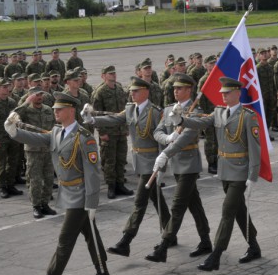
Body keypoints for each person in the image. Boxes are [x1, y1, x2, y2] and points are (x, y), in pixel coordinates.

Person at [6, 92, 110, 275]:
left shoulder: (84, 138)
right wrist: (14, 132)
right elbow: (36, 138)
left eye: (59, 109)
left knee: (64, 241)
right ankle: (103, 274)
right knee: (91, 235)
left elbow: (92, 172)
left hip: (81, 196)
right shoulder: (57, 132)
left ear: (71, 110)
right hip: (68, 192)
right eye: (54, 109)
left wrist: (92, 203)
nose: (55, 111)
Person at [169, 77, 262, 272]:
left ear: (237, 93)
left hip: (240, 171)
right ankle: (254, 246)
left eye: (227, 93)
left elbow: (255, 148)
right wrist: (182, 120)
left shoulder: (248, 116)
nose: (223, 96)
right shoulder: (219, 112)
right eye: (222, 93)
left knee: (227, 211)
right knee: (238, 210)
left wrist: (253, 176)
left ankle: (216, 255)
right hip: (225, 170)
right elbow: (201, 123)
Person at [89, 77, 170, 258]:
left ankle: (126, 241)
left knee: (139, 202)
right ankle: (170, 231)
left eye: (136, 91)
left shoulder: (155, 112)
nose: (131, 94)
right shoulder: (130, 109)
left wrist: (162, 167)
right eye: (131, 91)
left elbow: (162, 140)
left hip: (152, 163)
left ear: (146, 92)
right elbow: (113, 119)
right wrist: (93, 119)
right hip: (139, 161)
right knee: (157, 200)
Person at [144, 73, 212, 263]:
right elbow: (157, 131)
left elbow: (186, 137)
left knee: (178, 205)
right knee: (194, 204)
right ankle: (206, 240)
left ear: (189, 90)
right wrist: (166, 138)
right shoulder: (168, 110)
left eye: (180, 88)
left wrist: (167, 152)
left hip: (189, 163)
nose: (175, 91)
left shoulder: (195, 111)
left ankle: (164, 246)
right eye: (174, 88)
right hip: (176, 165)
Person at [14, 88, 58, 218]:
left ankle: (45, 204)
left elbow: (53, 127)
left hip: (48, 149)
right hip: (33, 150)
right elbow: (13, 116)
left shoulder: (48, 109)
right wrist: (26, 102)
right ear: (30, 96)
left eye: (40, 94)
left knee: (49, 178)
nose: (39, 97)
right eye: (36, 95)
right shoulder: (26, 110)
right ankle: (36, 206)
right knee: (35, 180)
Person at [90, 65, 132, 199]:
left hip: (120, 131)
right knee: (109, 160)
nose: (113, 75)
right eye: (110, 73)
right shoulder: (100, 92)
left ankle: (120, 183)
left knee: (120, 159)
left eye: (114, 73)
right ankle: (111, 186)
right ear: (103, 76)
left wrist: (125, 128)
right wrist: (101, 132)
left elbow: (126, 110)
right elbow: (95, 115)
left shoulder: (119, 90)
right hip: (108, 133)